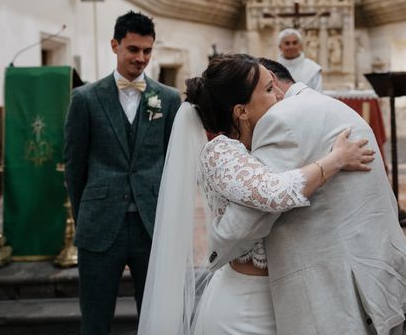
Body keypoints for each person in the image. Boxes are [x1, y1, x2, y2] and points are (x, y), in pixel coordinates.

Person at [138, 53, 375, 334]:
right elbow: (274, 194)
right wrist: (335, 160)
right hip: (243, 309)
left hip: (289, 301)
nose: (278, 95)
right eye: (268, 89)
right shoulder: (220, 152)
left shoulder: (269, 144)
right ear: (241, 111)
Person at [207, 57, 406, 335]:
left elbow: (250, 220)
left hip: (337, 291)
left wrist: (215, 253)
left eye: (270, 87)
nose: (273, 97)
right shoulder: (331, 106)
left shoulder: (281, 118)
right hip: (377, 272)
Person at [64, 11, 181, 334]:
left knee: (157, 317)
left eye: (147, 51)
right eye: (133, 49)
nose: (141, 58)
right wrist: (85, 212)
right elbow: (75, 165)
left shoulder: (168, 100)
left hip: (151, 224)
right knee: (96, 317)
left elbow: (174, 164)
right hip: (101, 223)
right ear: (115, 45)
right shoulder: (85, 99)